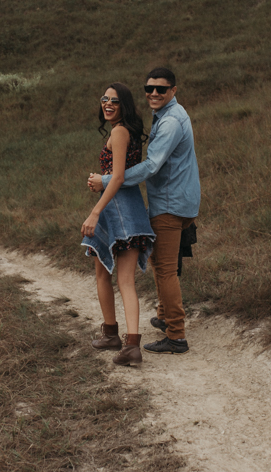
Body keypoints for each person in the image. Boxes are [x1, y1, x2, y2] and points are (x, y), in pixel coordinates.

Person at [89, 68, 200, 355]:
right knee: (162, 263)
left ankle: (176, 335)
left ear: (173, 90)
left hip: (169, 203)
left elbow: (151, 166)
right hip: (178, 200)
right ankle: (164, 316)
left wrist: (106, 180)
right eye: (149, 88)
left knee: (164, 269)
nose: (153, 93)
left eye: (161, 89)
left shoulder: (170, 121)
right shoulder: (167, 114)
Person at [81, 82, 155, 366]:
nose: (107, 104)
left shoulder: (120, 131)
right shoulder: (125, 131)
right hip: (122, 209)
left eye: (114, 100)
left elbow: (120, 177)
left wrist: (95, 211)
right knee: (103, 273)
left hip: (120, 211)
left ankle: (131, 345)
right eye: (104, 99)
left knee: (123, 280)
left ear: (124, 105)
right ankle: (112, 334)